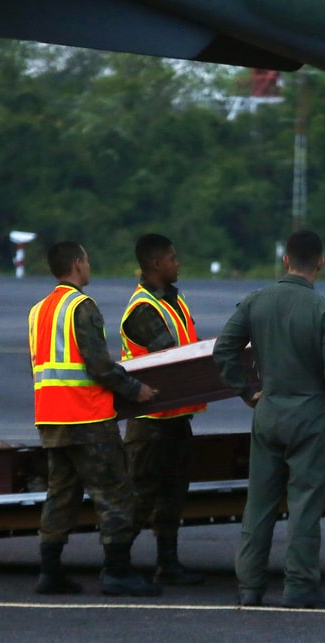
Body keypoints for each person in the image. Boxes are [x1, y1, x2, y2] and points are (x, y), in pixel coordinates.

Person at [212, 230, 325, 609]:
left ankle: (250, 587)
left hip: (268, 408)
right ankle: (299, 585)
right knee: (305, 503)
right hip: (307, 412)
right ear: (319, 262)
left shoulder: (256, 302)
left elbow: (223, 350)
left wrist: (245, 390)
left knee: (259, 502)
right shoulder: (323, 310)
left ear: (286, 260)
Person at [28, 241, 161, 597]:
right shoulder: (81, 306)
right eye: (86, 259)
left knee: (61, 495)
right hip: (86, 418)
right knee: (115, 492)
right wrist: (136, 390)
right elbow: (99, 366)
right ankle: (117, 572)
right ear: (76, 264)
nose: (89, 265)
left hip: (52, 419)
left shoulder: (38, 310)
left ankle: (49, 571)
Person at [119, 234, 206, 586]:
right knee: (140, 499)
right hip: (150, 424)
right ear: (156, 264)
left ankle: (167, 563)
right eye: (172, 257)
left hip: (174, 419)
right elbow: (174, 356)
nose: (177, 262)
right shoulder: (143, 309)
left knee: (172, 497)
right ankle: (117, 564)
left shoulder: (172, 301)